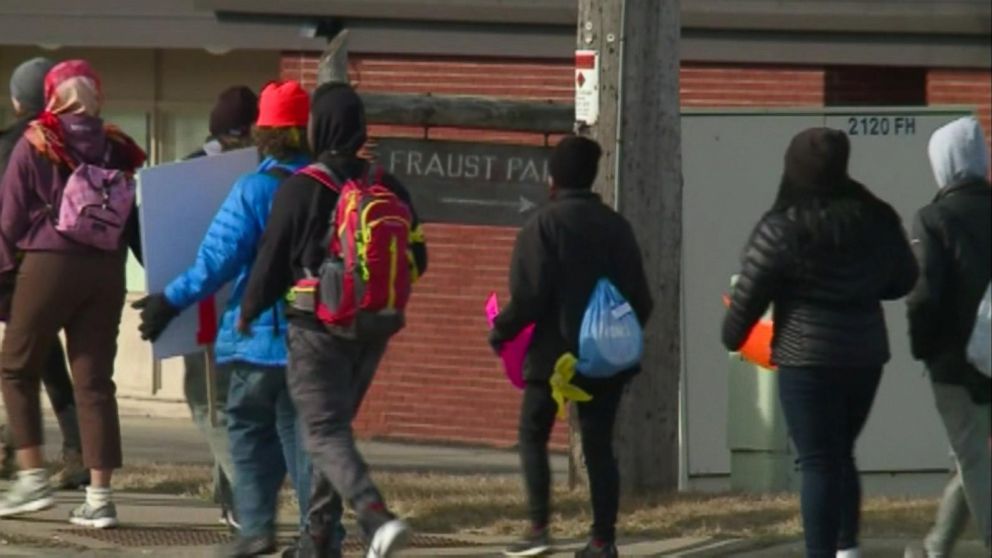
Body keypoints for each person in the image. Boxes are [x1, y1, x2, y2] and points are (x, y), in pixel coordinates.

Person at [239, 82, 427, 558]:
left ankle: (374, 515)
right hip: (375, 327)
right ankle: (319, 536)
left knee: (321, 432)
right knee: (332, 430)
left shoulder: (301, 187)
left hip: (316, 329)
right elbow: (418, 257)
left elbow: (272, 260)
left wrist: (248, 312)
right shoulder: (388, 184)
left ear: (317, 126)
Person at [133, 80, 320, 557]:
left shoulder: (254, 188)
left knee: (246, 427)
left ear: (266, 131)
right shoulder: (329, 186)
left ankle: (255, 528)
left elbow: (216, 260)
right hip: (314, 337)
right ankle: (315, 535)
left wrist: (168, 301)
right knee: (301, 438)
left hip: (259, 337)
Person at [722, 127, 918, 558]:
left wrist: (731, 336)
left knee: (817, 461)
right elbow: (904, 277)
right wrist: (862, 285)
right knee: (841, 451)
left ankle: (822, 552)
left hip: (805, 356)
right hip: (865, 355)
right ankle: (848, 547)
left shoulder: (781, 224)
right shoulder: (874, 215)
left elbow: (750, 292)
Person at [489, 136, 653, 558]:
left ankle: (539, 528)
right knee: (599, 446)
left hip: (551, 357)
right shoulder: (617, 226)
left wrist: (502, 331)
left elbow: (529, 297)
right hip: (606, 358)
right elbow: (641, 300)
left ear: (553, 179)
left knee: (533, 434)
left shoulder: (542, 226)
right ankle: (602, 540)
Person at [0, 59, 145, 526]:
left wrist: (5, 271)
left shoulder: (38, 141)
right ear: (95, 94)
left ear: (53, 96)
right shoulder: (118, 147)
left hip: (50, 263)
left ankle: (32, 480)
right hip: (106, 270)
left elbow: (10, 217)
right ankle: (100, 501)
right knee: (95, 383)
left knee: (17, 366)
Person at [0, 56, 89, 490]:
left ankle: (23, 456)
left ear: (18, 100)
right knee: (51, 359)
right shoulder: (80, 140)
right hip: (81, 265)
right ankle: (73, 448)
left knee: (20, 362)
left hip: (19, 269)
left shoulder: (13, 145)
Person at [905, 116, 991, 557]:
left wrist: (924, 350)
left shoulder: (933, 218)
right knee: (970, 456)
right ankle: (935, 547)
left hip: (954, 363)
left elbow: (923, 295)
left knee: (972, 456)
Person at [179, 84, 259, 530]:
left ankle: (246, 499)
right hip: (249, 303)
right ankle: (229, 496)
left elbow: (149, 227)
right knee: (229, 401)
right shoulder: (268, 170)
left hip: (207, 302)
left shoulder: (190, 169)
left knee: (208, 401)